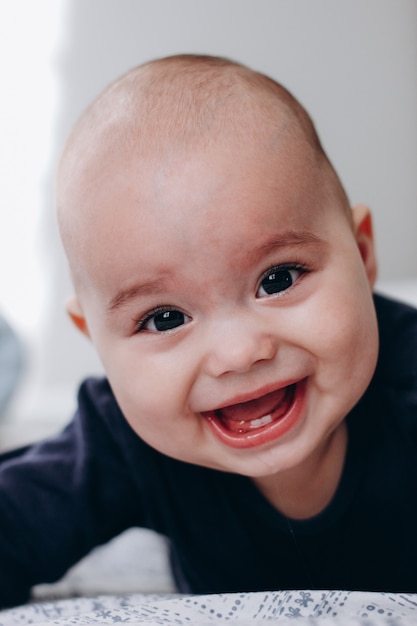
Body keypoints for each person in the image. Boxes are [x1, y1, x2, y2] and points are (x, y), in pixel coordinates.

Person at [0, 54, 416, 609]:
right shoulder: (122, 439)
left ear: (362, 258)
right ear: (95, 339)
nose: (239, 354)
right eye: (164, 318)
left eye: (279, 278)